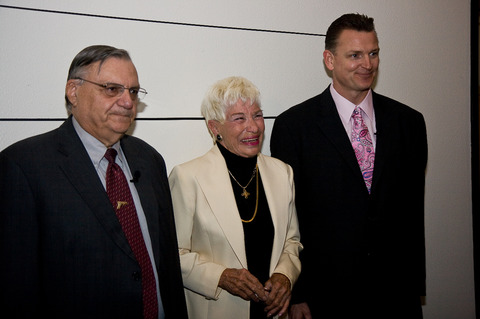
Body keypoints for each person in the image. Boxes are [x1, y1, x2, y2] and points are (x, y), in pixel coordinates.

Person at [0, 45, 188, 319]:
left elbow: (167, 263)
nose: (127, 102)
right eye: (112, 89)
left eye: (133, 91)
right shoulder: (23, 166)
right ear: (73, 92)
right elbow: (16, 288)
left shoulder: (149, 159)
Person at [270, 13, 428, 319]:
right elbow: (288, 218)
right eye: (354, 55)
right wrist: (298, 293)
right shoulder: (294, 126)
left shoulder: (409, 123)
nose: (366, 64)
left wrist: (414, 287)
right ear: (329, 59)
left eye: (373, 53)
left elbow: (412, 214)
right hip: (326, 298)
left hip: (396, 296)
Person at [168, 76, 303, 319]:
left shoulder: (282, 172)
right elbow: (171, 254)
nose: (253, 127)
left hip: (273, 312)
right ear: (214, 127)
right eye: (239, 118)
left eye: (257, 115)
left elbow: (291, 241)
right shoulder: (188, 177)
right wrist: (220, 277)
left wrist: (285, 275)